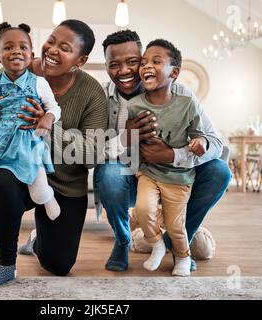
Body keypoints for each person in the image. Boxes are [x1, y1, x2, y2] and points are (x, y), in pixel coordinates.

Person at [0, 19, 108, 288]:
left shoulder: (91, 92)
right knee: (2, 179)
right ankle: (6, 265)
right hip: (19, 171)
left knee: (58, 265)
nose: (51, 49)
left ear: (80, 60)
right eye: (51, 40)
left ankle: (38, 239)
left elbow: (93, 154)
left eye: (64, 47)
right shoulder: (19, 68)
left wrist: (49, 127)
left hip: (64, 183)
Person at [94, 30, 231, 272]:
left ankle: (179, 244)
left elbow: (215, 142)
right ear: (106, 67)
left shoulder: (181, 95)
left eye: (133, 62)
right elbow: (92, 151)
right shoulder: (101, 98)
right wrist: (124, 139)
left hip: (174, 176)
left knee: (220, 171)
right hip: (132, 180)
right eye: (114, 65)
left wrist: (173, 156)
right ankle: (123, 240)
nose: (124, 70)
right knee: (108, 173)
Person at [0, 22, 61, 221]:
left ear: (31, 54)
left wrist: (47, 118)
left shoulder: (39, 83)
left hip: (28, 146)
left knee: (39, 193)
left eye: (23, 47)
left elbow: (54, 108)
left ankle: (49, 198)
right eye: (8, 47)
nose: (16, 51)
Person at [128, 39, 207, 277]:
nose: (146, 66)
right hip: (149, 173)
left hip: (179, 177)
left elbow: (200, 134)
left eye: (155, 61)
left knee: (175, 225)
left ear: (174, 72)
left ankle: (183, 255)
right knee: (143, 208)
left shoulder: (187, 104)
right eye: (144, 62)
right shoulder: (134, 105)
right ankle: (156, 244)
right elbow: (126, 143)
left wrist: (200, 143)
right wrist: (129, 132)